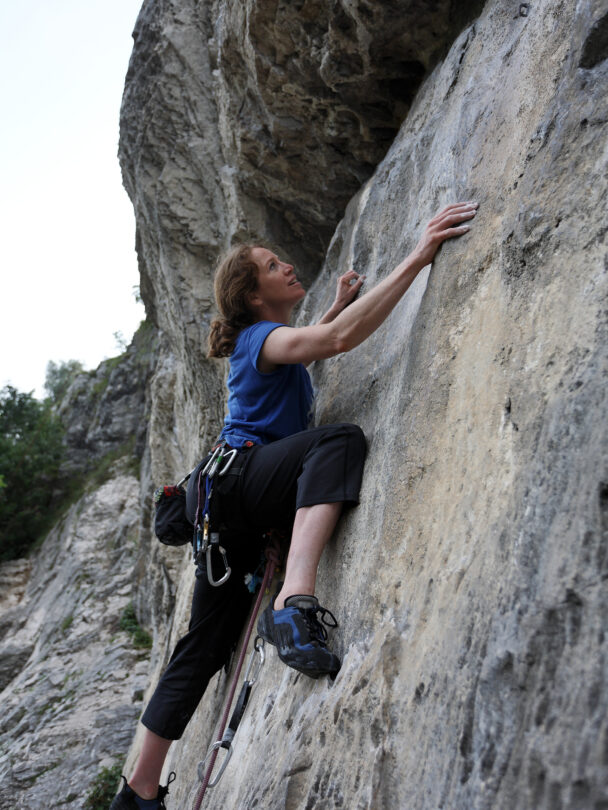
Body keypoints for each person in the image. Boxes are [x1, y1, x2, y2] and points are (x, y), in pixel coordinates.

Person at [110, 201, 478, 809]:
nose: (286, 266)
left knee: (204, 645)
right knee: (338, 441)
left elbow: (309, 348)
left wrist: (335, 304)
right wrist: (420, 255)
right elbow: (334, 341)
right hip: (240, 483)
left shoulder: (262, 344)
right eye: (272, 265)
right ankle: (294, 599)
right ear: (255, 297)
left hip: (224, 506)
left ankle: (138, 790)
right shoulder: (259, 338)